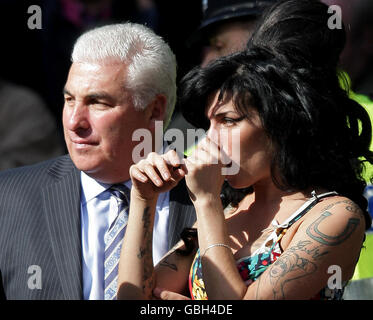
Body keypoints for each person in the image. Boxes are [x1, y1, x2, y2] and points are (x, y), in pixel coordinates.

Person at [117, 0, 373, 300]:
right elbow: (134, 299)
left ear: (281, 126)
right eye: (209, 124)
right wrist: (142, 199)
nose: (209, 140)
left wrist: (208, 201)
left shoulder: (335, 215)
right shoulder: (231, 210)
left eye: (229, 121)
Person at [0, 22, 196, 300]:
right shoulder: (8, 197)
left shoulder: (219, 198)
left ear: (154, 111)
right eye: (69, 99)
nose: (73, 122)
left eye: (97, 103)